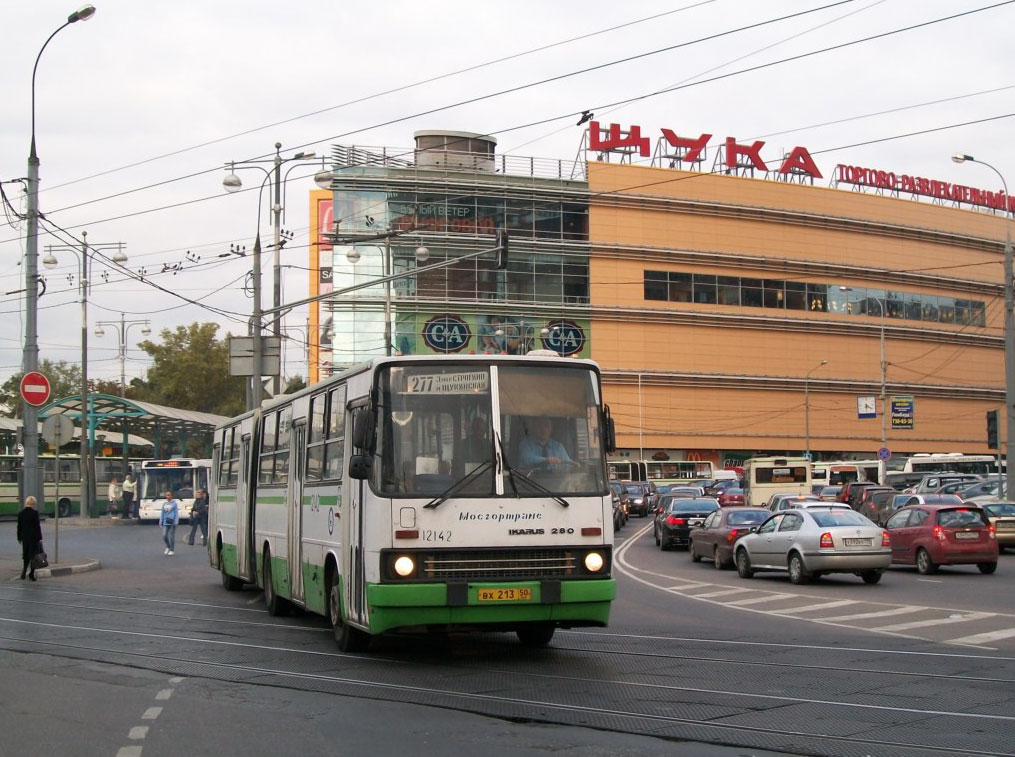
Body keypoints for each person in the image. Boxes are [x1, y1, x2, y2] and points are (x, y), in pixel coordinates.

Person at [16, 496, 43, 581]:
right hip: (33, 537)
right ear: (33, 504)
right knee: (33, 556)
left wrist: (19, 537)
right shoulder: (35, 513)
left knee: (25, 554)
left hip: (25, 537)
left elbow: (19, 527)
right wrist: (40, 538)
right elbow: (37, 526)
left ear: (26, 503)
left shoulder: (21, 513)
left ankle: (24, 571)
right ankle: (31, 574)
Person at [159, 490, 180, 556]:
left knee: (171, 536)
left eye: (169, 495)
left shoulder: (174, 503)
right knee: (164, 535)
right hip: (165, 522)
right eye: (166, 495)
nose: (167, 496)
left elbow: (176, 513)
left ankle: (172, 549)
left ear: (171, 496)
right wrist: (160, 521)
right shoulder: (164, 504)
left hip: (172, 522)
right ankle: (168, 546)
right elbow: (162, 513)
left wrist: (176, 521)